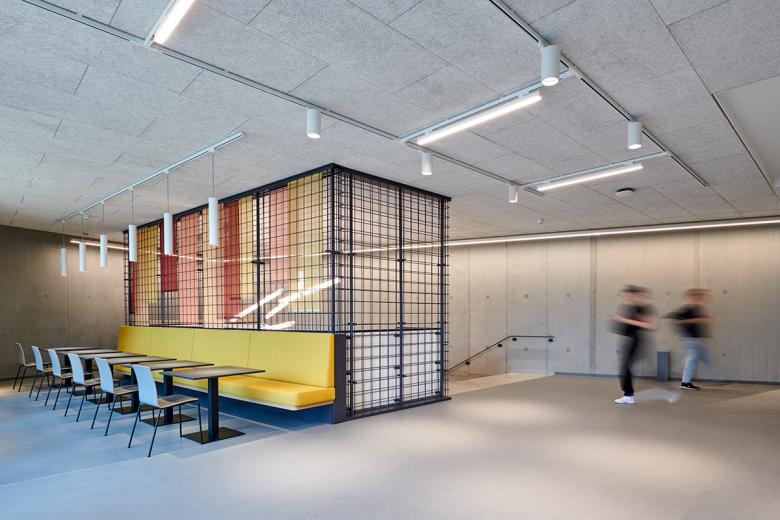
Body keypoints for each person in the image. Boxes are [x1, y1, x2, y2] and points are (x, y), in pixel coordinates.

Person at [611, 285, 655, 404]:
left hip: (636, 340)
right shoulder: (632, 307)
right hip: (630, 339)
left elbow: (648, 325)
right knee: (625, 366)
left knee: (625, 366)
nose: (626, 296)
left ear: (635, 294)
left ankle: (628, 395)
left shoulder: (642, 308)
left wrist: (624, 320)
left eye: (627, 294)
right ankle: (628, 394)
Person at [665, 289, 713, 390]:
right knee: (691, 359)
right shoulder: (688, 309)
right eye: (700, 296)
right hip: (690, 339)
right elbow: (676, 319)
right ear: (694, 297)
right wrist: (696, 320)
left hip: (695, 338)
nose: (703, 299)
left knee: (695, 359)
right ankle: (684, 381)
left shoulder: (696, 308)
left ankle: (685, 380)